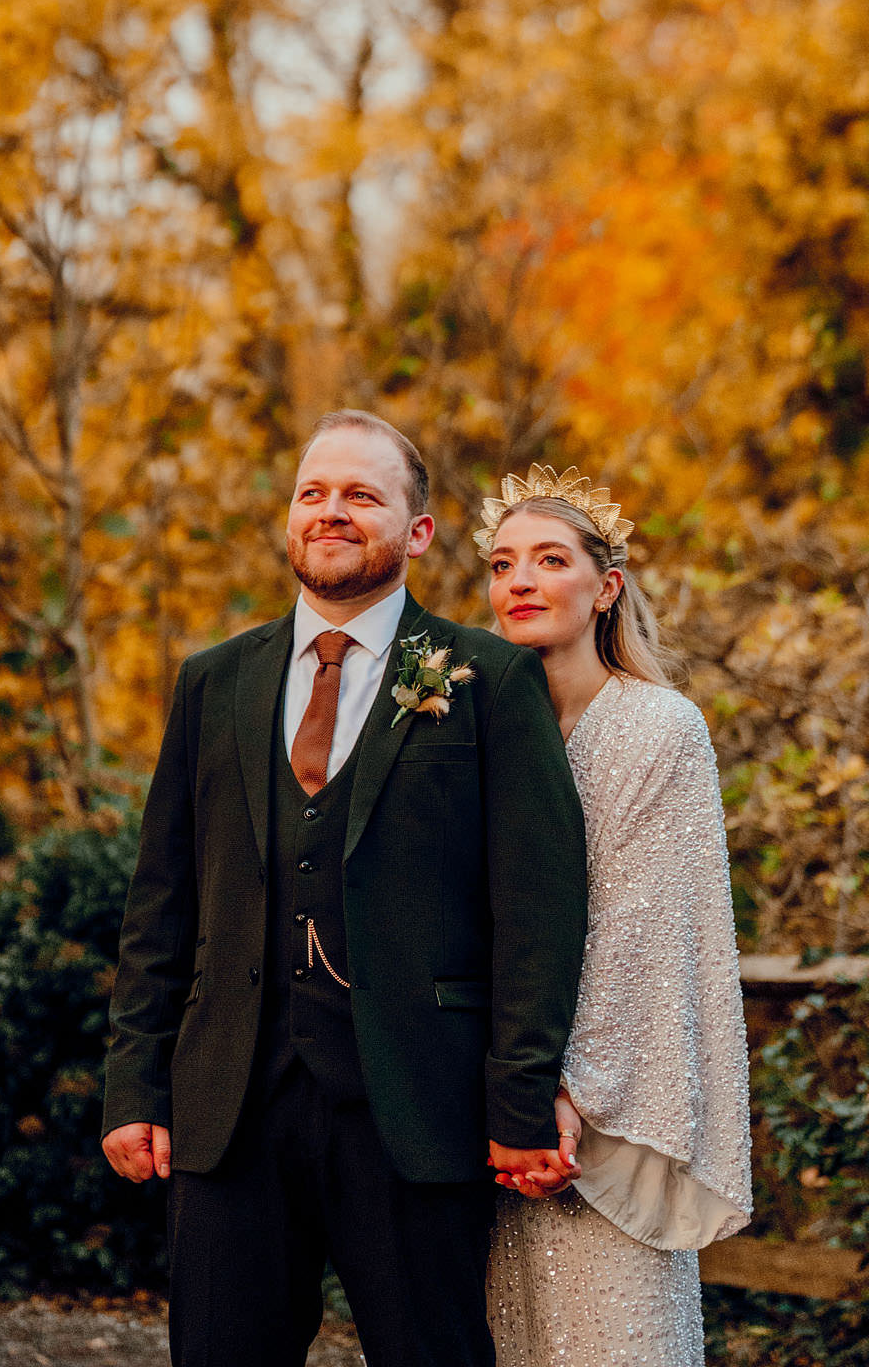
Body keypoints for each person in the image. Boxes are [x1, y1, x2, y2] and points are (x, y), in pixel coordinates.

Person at [101, 412, 588, 1367]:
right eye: (313, 492)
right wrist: (134, 1082)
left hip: (416, 1103)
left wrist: (518, 1097)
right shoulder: (212, 682)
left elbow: (538, 906)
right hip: (229, 1105)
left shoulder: (487, 679)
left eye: (362, 495)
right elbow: (162, 900)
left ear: (417, 532)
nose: (331, 511)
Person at [478, 465, 752, 1367]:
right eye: (502, 563)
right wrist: (499, 1094)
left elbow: (644, 939)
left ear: (607, 587)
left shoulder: (659, 729)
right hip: (480, 1121)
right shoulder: (460, 724)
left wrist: (559, 1099)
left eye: (549, 559)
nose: (520, 580)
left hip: (597, 1126)